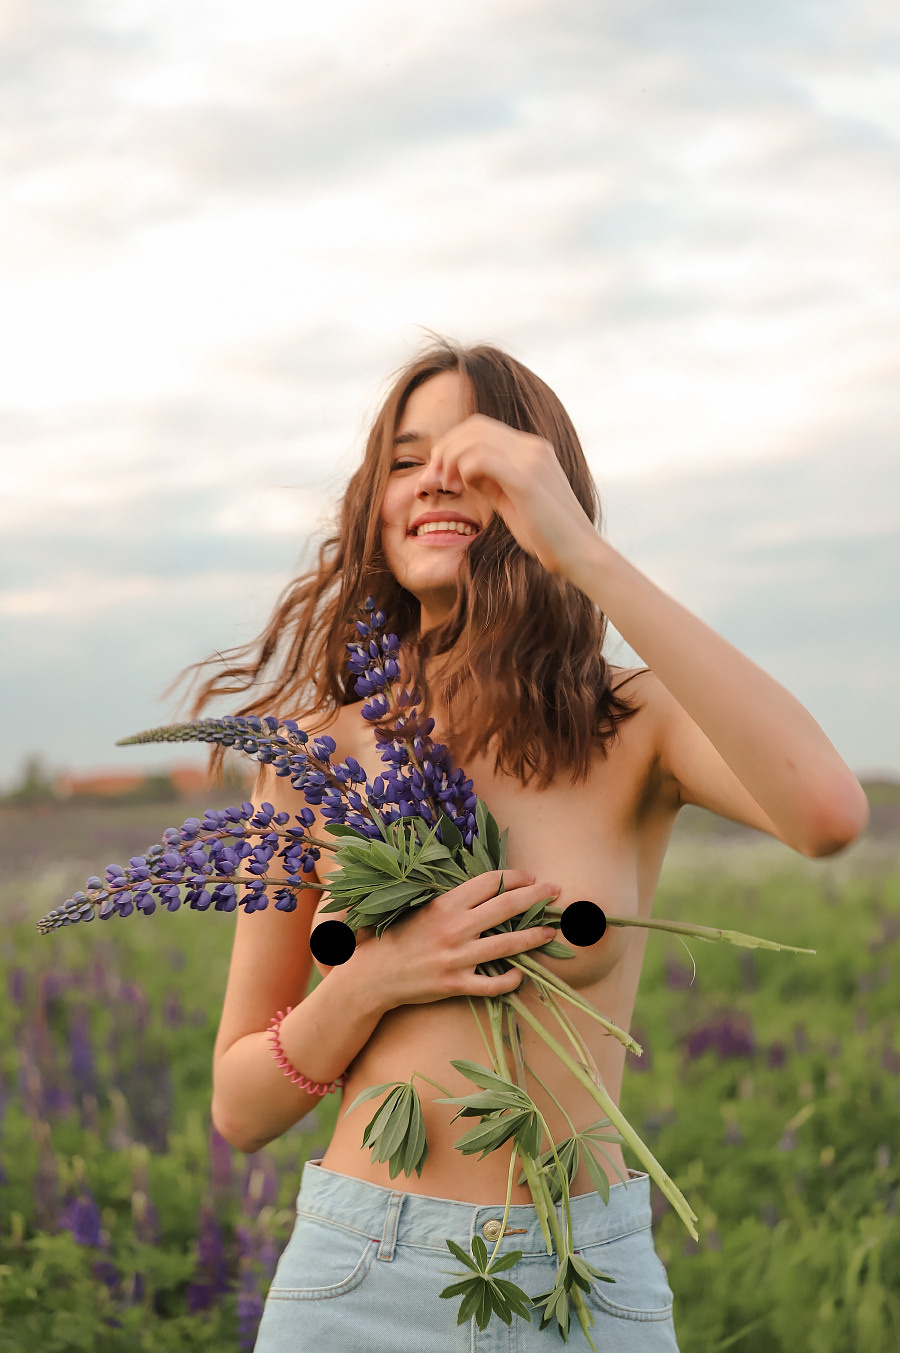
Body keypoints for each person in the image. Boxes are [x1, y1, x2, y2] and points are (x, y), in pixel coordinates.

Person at [200, 338, 868, 1351]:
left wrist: (587, 558)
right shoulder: (309, 754)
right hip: (360, 1276)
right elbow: (240, 1106)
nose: (437, 481)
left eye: (479, 460)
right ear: (372, 500)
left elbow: (827, 814)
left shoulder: (630, 723)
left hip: (582, 1275)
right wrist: (375, 979)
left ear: (544, 490)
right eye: (406, 457)